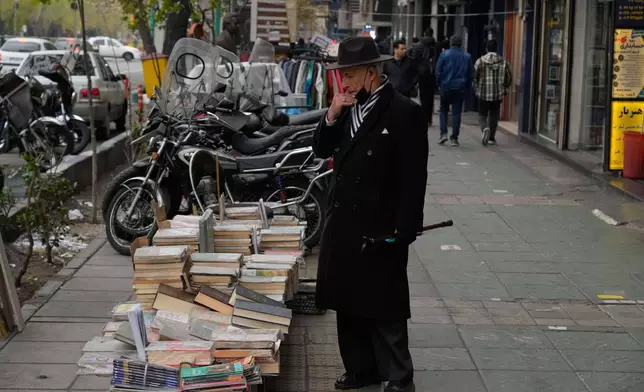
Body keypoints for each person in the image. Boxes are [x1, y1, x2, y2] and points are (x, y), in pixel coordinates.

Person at [313, 36, 428, 392]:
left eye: (349, 73)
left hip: (381, 225)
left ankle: (398, 378)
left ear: (371, 71)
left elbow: (414, 176)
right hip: (345, 222)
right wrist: (331, 115)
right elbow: (321, 150)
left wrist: (406, 228)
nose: (343, 81)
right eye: (340, 73)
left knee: (386, 307)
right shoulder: (347, 106)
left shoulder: (404, 111)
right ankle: (361, 370)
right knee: (347, 303)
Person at [435, 35, 474, 146]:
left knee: (443, 110)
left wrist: (438, 84)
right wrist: (467, 87)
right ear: (461, 43)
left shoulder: (444, 54)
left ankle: (443, 134)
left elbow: (438, 71)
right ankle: (454, 138)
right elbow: (470, 74)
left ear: (451, 43)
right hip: (460, 87)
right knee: (456, 112)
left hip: (446, 86)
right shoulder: (467, 56)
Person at [475, 39, 512, 145]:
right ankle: (491, 137)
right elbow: (509, 77)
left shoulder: (480, 61)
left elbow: (475, 76)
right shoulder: (503, 61)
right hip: (497, 93)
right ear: (496, 49)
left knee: (482, 115)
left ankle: (484, 128)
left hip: (483, 92)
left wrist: (476, 88)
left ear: (486, 48)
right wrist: (505, 87)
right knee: (494, 115)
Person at [410, 27, 438, 126]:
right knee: (430, 97)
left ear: (424, 33)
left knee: (423, 96)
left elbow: (414, 60)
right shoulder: (436, 45)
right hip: (432, 73)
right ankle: (429, 118)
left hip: (421, 74)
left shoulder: (417, 45)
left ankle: (424, 117)